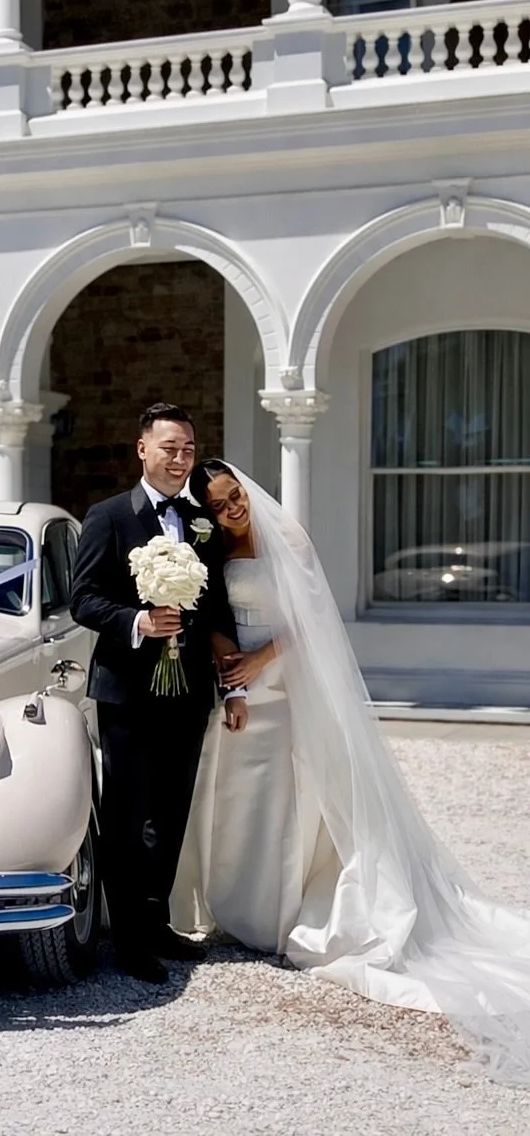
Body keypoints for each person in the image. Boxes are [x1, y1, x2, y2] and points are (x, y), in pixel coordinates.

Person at [174, 458, 530, 1086]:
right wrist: (232, 667)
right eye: (220, 504)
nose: (232, 510)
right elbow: (209, 619)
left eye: (236, 497)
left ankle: (287, 909)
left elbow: (315, 621)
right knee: (241, 791)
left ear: (248, 492)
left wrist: (261, 660)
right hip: (240, 688)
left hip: (289, 676)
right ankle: (244, 906)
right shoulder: (212, 549)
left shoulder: (287, 538)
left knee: (302, 795)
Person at [69, 404, 240, 984]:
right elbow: (84, 599)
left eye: (188, 448)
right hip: (127, 691)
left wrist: (229, 679)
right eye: (170, 447)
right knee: (127, 814)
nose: (180, 457)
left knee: (171, 812)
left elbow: (215, 605)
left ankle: (158, 919)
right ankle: (129, 940)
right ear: (142, 449)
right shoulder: (109, 516)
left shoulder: (202, 522)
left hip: (188, 690)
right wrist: (139, 622)